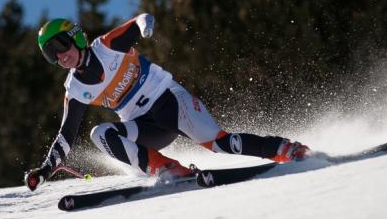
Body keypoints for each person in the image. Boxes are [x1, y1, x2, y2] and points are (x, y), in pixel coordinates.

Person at [25, 14, 308, 191]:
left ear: (75, 37)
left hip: (170, 102)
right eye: (51, 54)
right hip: (146, 127)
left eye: (60, 45)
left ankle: (285, 149)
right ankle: (168, 168)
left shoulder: (107, 47)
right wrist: (46, 170)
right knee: (100, 134)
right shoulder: (74, 89)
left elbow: (137, 21)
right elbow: (66, 134)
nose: (60, 56)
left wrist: (144, 25)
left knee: (221, 143)